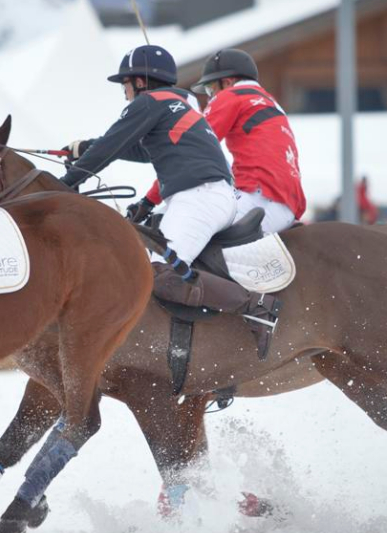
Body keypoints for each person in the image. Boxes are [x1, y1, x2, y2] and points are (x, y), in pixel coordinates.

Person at [61, 44, 278, 337]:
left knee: (161, 275)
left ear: (139, 82)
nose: (124, 92)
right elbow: (143, 150)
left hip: (199, 198)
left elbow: (112, 144)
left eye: (125, 84)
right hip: (213, 196)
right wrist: (87, 147)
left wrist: (66, 183)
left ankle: (256, 306)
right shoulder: (183, 100)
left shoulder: (148, 102)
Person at [125, 49, 305, 234]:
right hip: (288, 203)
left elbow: (188, 154)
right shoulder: (270, 101)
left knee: (169, 234)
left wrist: (148, 201)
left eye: (211, 89)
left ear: (227, 82)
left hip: (258, 196)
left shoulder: (231, 96)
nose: (211, 97)